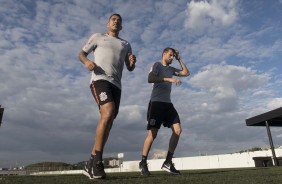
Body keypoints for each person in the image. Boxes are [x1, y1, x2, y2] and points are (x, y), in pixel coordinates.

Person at [78, 13, 136, 179]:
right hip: (99, 80)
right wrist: (87, 62)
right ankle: (98, 162)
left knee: (109, 120)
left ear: (121, 26)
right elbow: (81, 54)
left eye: (119, 20)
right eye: (113, 19)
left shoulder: (126, 44)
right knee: (108, 111)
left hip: (117, 85)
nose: (116, 21)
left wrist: (132, 63)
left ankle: (90, 162)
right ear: (108, 23)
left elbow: (130, 67)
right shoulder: (98, 37)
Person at [139, 47, 190, 176]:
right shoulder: (157, 65)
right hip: (156, 103)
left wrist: (180, 59)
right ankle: (143, 162)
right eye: (171, 55)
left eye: (174, 56)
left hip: (168, 104)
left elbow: (186, 73)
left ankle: (168, 162)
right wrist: (168, 79)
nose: (172, 57)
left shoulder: (171, 69)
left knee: (178, 130)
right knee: (153, 134)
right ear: (164, 54)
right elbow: (150, 78)